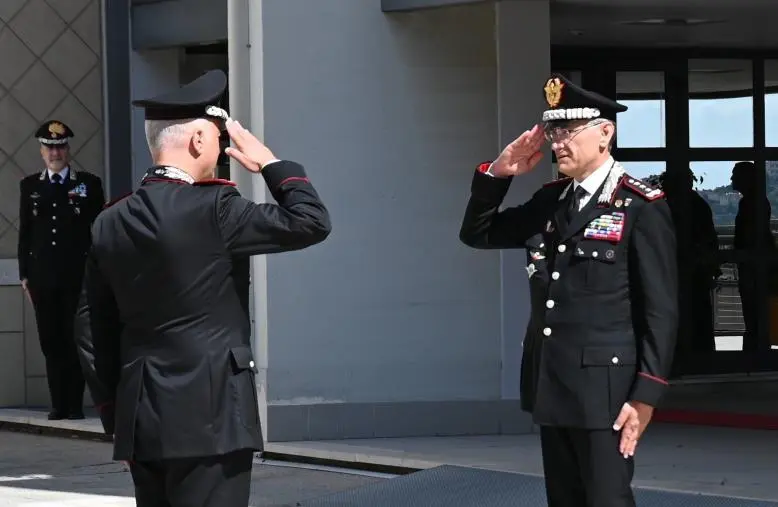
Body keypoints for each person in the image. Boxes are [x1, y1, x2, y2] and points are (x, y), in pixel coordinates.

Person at [74, 69, 331, 507]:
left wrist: (117, 421)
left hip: (143, 420)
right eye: (216, 137)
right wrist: (272, 164)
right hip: (214, 416)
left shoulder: (110, 220)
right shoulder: (216, 208)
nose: (221, 149)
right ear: (197, 141)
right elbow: (310, 221)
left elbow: (90, 328)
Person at [459, 73, 678, 507]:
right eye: (553, 132)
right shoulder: (552, 199)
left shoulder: (639, 204)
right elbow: (478, 233)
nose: (557, 143)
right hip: (553, 381)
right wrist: (499, 173)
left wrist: (646, 395)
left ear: (604, 133)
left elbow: (660, 309)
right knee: (565, 500)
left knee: (606, 499)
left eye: (568, 132)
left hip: (607, 390)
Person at [17, 120, 105, 420]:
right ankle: (58, 404)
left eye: (60, 147)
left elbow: (99, 232)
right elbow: (25, 233)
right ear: (42, 152)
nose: (55, 153)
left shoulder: (88, 185)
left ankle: (74, 404)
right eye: (49, 148)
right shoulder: (30, 186)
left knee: (75, 339)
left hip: (77, 278)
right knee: (51, 341)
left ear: (68, 150)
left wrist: (99, 273)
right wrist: (24, 276)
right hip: (43, 279)